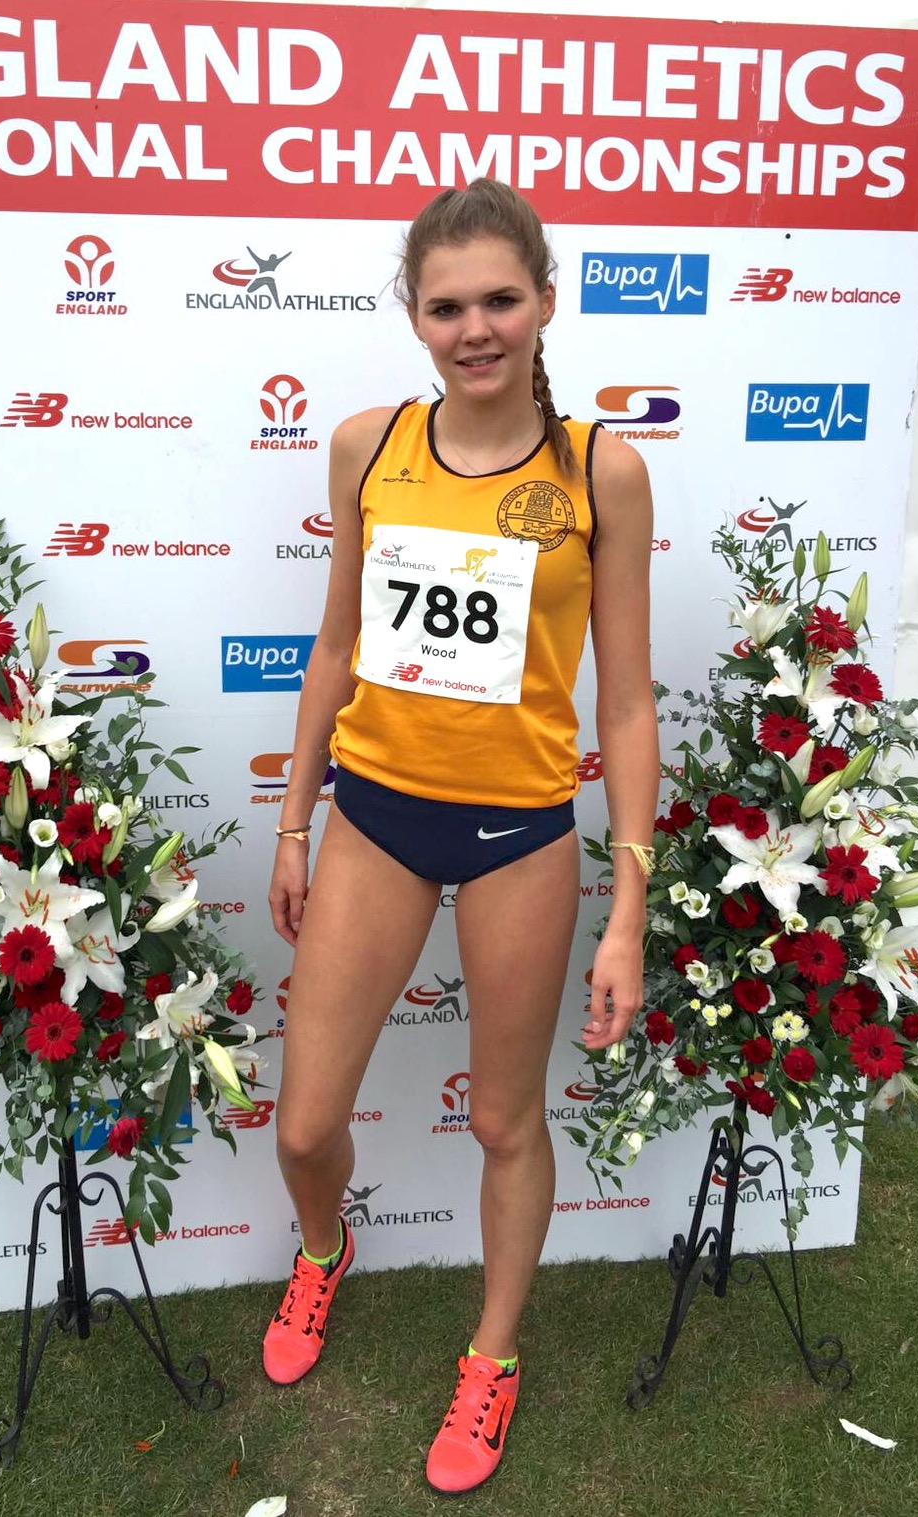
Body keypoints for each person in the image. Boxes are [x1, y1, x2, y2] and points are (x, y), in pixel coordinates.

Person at [263, 178, 659, 1496]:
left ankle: (491, 1356)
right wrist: (293, 820)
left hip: (518, 835)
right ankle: (323, 1250)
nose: (474, 328)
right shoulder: (366, 446)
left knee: (502, 1119)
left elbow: (627, 701)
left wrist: (627, 911)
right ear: (414, 316)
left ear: (545, 300)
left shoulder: (600, 469)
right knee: (304, 1125)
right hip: (375, 816)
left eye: (499, 300)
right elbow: (334, 644)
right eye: (447, 307)